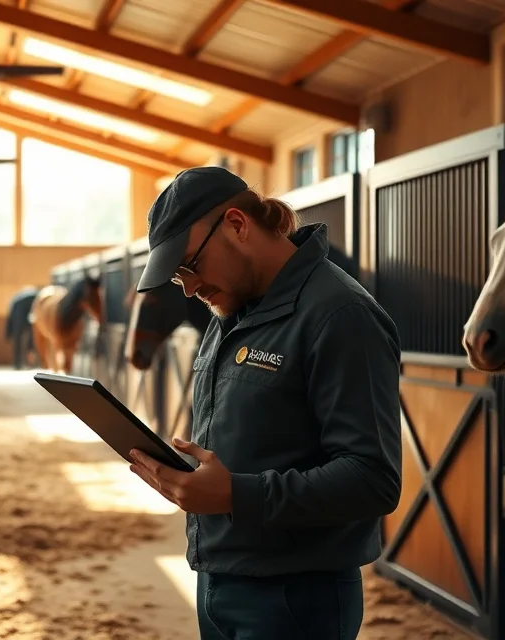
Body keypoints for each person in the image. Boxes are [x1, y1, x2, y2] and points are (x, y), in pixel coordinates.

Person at [126, 166, 403, 640]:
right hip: (220, 577)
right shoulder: (233, 307)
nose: (189, 288)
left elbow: (373, 479)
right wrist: (191, 483)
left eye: (190, 265)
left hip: (294, 596)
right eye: (177, 278)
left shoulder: (340, 314)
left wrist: (236, 495)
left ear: (237, 224)